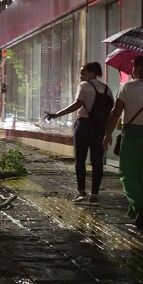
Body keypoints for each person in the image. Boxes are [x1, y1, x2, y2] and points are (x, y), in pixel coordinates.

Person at [102, 55, 143, 228]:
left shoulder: (127, 87)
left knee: (128, 172)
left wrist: (107, 134)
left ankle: (138, 203)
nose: (132, 69)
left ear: (139, 68)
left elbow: (115, 113)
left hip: (132, 134)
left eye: (134, 66)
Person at [44, 62, 110, 204]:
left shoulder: (84, 86)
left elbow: (77, 104)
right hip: (99, 128)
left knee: (80, 159)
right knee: (97, 161)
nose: (81, 76)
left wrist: (56, 114)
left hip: (84, 125)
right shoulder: (106, 89)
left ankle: (81, 192)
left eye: (83, 73)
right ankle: (95, 195)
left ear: (92, 73)